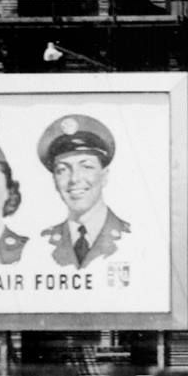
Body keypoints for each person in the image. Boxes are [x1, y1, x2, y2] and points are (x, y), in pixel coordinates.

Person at [37, 114, 129, 268]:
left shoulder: (131, 237)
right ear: (54, 181)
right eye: (63, 169)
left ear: (104, 175)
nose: (74, 179)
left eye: (86, 166)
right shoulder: (41, 244)